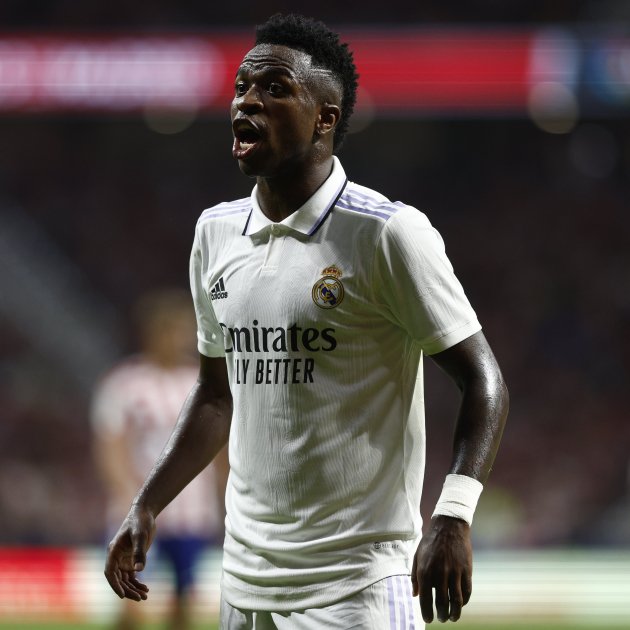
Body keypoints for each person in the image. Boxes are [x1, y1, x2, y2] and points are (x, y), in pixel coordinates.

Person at [104, 14, 509, 629]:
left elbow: (483, 379)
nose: (247, 101)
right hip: (244, 584)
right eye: (241, 87)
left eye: (274, 88)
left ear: (325, 118)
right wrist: (147, 503)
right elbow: (216, 395)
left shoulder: (386, 233)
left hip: (357, 587)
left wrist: (453, 514)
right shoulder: (215, 233)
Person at [92, 289, 228, 630]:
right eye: (170, 330)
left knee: (183, 601)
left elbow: (219, 447)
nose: (178, 338)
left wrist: (225, 493)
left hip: (192, 512)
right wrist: (126, 493)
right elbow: (111, 445)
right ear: (151, 333)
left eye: (182, 330)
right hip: (137, 510)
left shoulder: (201, 382)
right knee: (129, 601)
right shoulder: (124, 384)